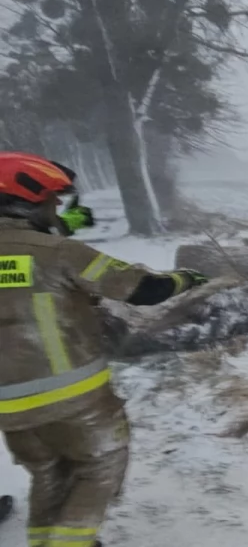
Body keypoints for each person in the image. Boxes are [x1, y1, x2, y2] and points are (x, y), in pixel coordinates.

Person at [0, 152, 207, 547]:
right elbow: (143, 289)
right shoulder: (61, 254)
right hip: (72, 399)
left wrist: (61, 227)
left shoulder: (50, 245)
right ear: (25, 200)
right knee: (100, 467)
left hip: (9, 406)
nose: (57, 207)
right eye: (50, 201)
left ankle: (45, 541)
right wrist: (185, 278)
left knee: (49, 472)